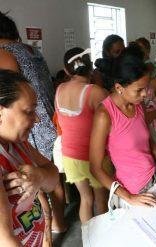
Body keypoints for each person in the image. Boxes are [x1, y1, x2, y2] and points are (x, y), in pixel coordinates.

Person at [90, 53, 156, 207]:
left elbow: (149, 142)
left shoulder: (138, 105)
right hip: (132, 193)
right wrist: (129, 197)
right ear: (119, 88)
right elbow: (95, 168)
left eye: (146, 87)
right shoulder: (104, 115)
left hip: (154, 180)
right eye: (139, 90)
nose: (145, 93)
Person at [0, 11, 57, 245]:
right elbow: (5, 239)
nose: (37, 119)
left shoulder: (18, 143)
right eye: (28, 111)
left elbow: (53, 177)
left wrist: (39, 177)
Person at [55, 48, 111, 224]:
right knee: (101, 200)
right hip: (95, 157)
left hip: (70, 155)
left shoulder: (59, 89)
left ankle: (87, 239)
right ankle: (102, 239)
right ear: (90, 67)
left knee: (86, 200)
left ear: (66, 70)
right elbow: (112, 121)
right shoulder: (96, 92)